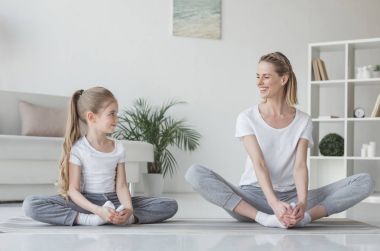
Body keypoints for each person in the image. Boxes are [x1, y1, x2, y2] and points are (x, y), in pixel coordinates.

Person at [185, 52, 375, 228]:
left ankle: (304, 218)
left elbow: (300, 166)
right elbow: (259, 163)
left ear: (283, 79)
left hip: (291, 198)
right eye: (257, 76)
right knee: (195, 173)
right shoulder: (247, 117)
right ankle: (265, 219)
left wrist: (301, 203)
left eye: (266, 76)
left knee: (365, 181)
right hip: (253, 199)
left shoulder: (303, 120)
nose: (259, 82)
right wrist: (274, 204)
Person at [23, 87, 178, 226]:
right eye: (112, 114)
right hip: (86, 203)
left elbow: (122, 186)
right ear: (92, 117)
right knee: (30, 205)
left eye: (117, 113)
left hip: (115, 200)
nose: (117, 119)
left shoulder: (118, 147)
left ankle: (123, 218)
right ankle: (89, 220)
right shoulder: (79, 149)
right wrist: (98, 211)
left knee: (170, 204)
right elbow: (73, 190)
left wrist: (129, 210)